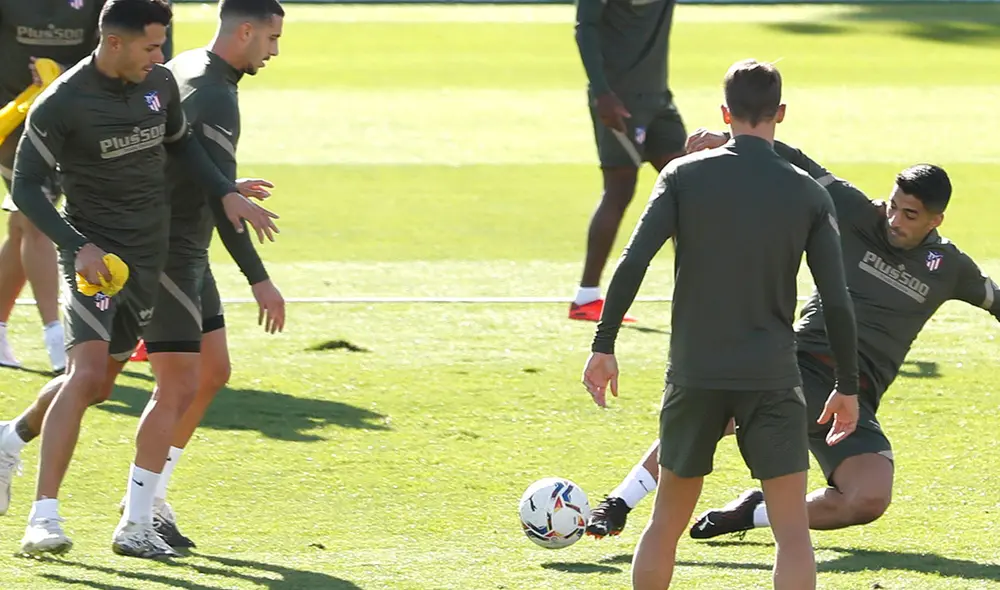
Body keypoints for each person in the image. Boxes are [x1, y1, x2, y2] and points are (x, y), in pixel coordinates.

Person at [587, 129, 1000, 542]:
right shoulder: (858, 213)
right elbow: (803, 164)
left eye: (909, 215)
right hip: (796, 366)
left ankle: (754, 514)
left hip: (853, 399)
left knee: (869, 498)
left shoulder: (948, 267)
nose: (894, 220)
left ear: (936, 220)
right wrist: (733, 140)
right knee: (710, 416)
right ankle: (618, 503)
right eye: (893, 206)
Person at [7, 0, 278, 558]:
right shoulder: (63, 103)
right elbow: (27, 189)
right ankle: (47, 518)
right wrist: (75, 245)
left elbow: (183, 147)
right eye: (153, 46)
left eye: (162, 46)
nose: (162, 57)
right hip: (98, 259)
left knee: (106, 385)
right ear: (114, 42)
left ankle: (9, 440)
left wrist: (225, 190)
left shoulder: (157, 84)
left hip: (154, 257)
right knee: (88, 378)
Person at [581, 59, 860, 590]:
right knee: (792, 534)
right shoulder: (807, 193)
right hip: (772, 378)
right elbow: (837, 301)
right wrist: (847, 387)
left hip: (695, 374)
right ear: (780, 113)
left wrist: (604, 343)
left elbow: (632, 262)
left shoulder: (684, 176)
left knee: (666, 524)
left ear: (724, 113)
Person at [131, 0, 287, 548]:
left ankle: (151, 502)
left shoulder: (192, 66)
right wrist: (259, 279)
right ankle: (133, 518)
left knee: (213, 370)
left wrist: (228, 188)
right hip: (171, 252)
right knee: (158, 385)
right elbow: (221, 201)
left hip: (183, 244)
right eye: (271, 40)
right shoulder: (217, 93)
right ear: (245, 31)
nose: (273, 53)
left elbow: (202, 176)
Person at [0, 0, 106, 372]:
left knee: (20, 230)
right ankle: (57, 340)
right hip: (11, 121)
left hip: (70, 114)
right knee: (36, 219)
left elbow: (113, 43)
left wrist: (67, 74)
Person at [569, 0, 687, 323]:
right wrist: (601, 92)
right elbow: (585, 28)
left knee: (688, 186)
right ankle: (586, 297)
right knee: (620, 189)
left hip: (658, 97)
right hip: (618, 97)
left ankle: (697, 295)